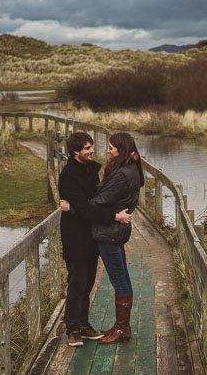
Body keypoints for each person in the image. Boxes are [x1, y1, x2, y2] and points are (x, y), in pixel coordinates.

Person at [60, 131, 145, 345]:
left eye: (109, 147)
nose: (94, 151)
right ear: (75, 152)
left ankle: (86, 324)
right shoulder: (69, 175)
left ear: (121, 150)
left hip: (94, 233)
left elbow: (95, 201)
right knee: (77, 283)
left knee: (88, 284)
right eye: (87, 148)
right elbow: (91, 204)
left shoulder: (93, 169)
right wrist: (111, 215)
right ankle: (73, 329)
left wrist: (75, 207)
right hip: (77, 236)